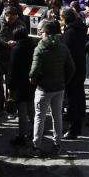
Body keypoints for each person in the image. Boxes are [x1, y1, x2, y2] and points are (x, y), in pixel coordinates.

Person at [29, 19, 75, 156]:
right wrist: (64, 81)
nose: (40, 34)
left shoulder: (40, 48)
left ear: (45, 32)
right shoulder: (63, 47)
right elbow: (72, 68)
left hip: (43, 88)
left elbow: (34, 70)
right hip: (59, 88)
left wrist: (33, 78)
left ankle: (36, 145)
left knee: (39, 117)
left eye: (41, 32)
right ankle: (57, 143)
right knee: (57, 116)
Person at [6, 21, 37, 146]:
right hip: (31, 82)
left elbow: (12, 70)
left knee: (22, 112)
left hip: (19, 85)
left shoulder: (16, 50)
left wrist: (9, 86)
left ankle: (22, 135)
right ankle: (34, 132)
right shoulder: (33, 46)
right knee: (31, 109)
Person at [60, 7, 87, 138]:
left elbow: (66, 51)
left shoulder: (70, 32)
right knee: (79, 96)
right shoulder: (80, 27)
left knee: (72, 100)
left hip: (73, 69)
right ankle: (79, 120)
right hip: (80, 67)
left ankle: (73, 129)